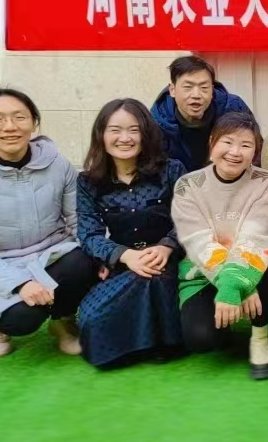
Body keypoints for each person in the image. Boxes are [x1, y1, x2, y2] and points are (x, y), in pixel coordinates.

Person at [0, 88, 95, 358]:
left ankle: (62, 321)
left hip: (51, 255)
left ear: (34, 122)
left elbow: (79, 220)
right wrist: (20, 284)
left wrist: (100, 256)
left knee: (86, 260)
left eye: (19, 117)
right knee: (22, 318)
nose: (10, 127)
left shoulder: (57, 164)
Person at [171, 112, 268, 380]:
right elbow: (198, 242)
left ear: (255, 151)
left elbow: (256, 237)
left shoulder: (267, 182)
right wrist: (237, 286)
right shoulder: (188, 185)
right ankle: (224, 325)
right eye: (228, 142)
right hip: (202, 272)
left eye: (246, 145)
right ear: (212, 142)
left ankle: (260, 336)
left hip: (252, 265)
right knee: (201, 339)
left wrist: (236, 284)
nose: (235, 152)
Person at [76, 99, 187, 368]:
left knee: (155, 279)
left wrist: (167, 245)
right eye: (115, 130)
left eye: (133, 130)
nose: (124, 138)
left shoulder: (171, 170)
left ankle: (161, 344)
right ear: (101, 135)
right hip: (123, 263)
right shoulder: (88, 182)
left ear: (146, 134)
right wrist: (124, 256)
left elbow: (191, 218)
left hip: (169, 258)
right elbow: (89, 234)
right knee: (92, 319)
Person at [150, 55, 251, 172]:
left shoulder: (233, 108)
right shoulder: (157, 122)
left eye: (204, 87)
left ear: (212, 90)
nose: (196, 95)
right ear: (172, 90)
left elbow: (253, 150)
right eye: (188, 87)